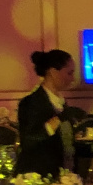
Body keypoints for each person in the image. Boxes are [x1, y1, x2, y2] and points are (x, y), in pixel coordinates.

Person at [16, 49, 85, 177]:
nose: (72, 79)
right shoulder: (30, 103)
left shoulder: (60, 101)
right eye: (69, 73)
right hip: (38, 176)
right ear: (53, 72)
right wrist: (59, 119)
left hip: (62, 175)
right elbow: (28, 141)